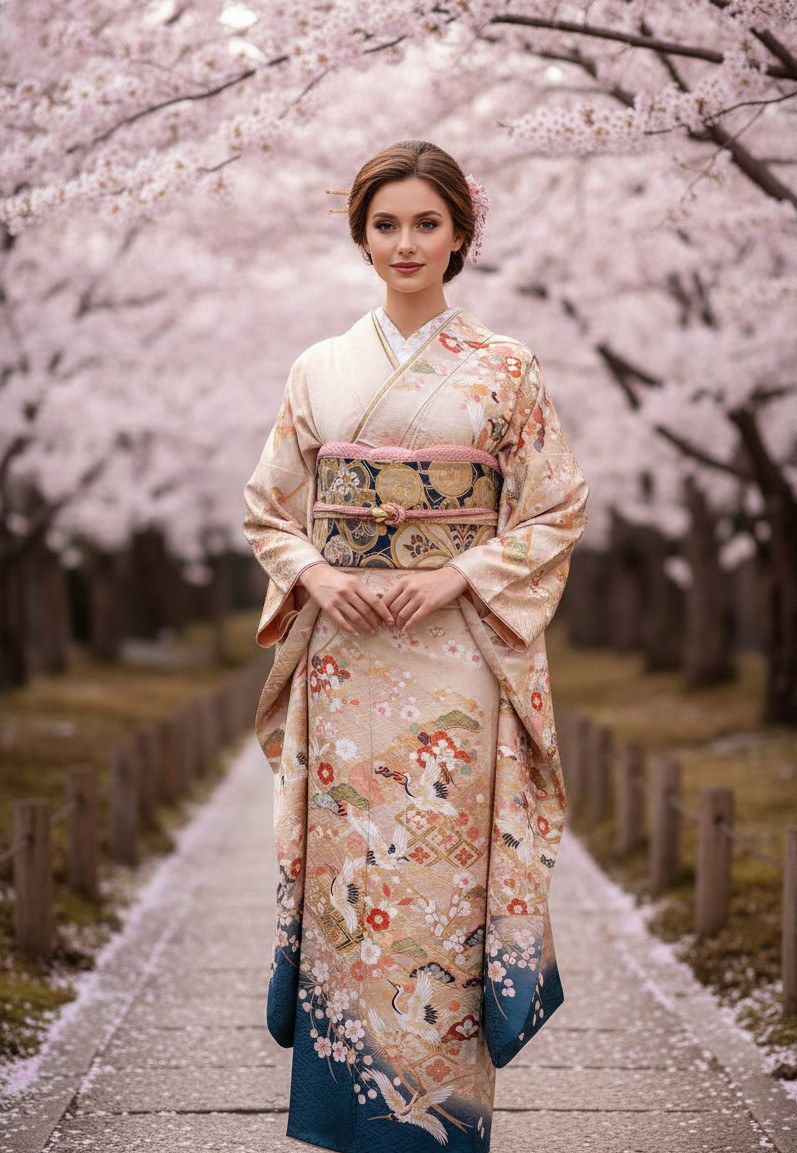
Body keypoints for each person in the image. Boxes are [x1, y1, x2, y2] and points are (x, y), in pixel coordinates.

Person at [242, 139, 590, 1153]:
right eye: (385, 223)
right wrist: (317, 576)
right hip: (345, 659)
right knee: (351, 880)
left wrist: (456, 573)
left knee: (438, 886)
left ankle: (438, 1124)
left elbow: (557, 505)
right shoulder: (318, 368)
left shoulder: (506, 368)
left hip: (453, 664)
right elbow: (268, 507)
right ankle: (347, 1108)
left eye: (426, 223)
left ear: (460, 234)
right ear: (360, 235)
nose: (405, 242)